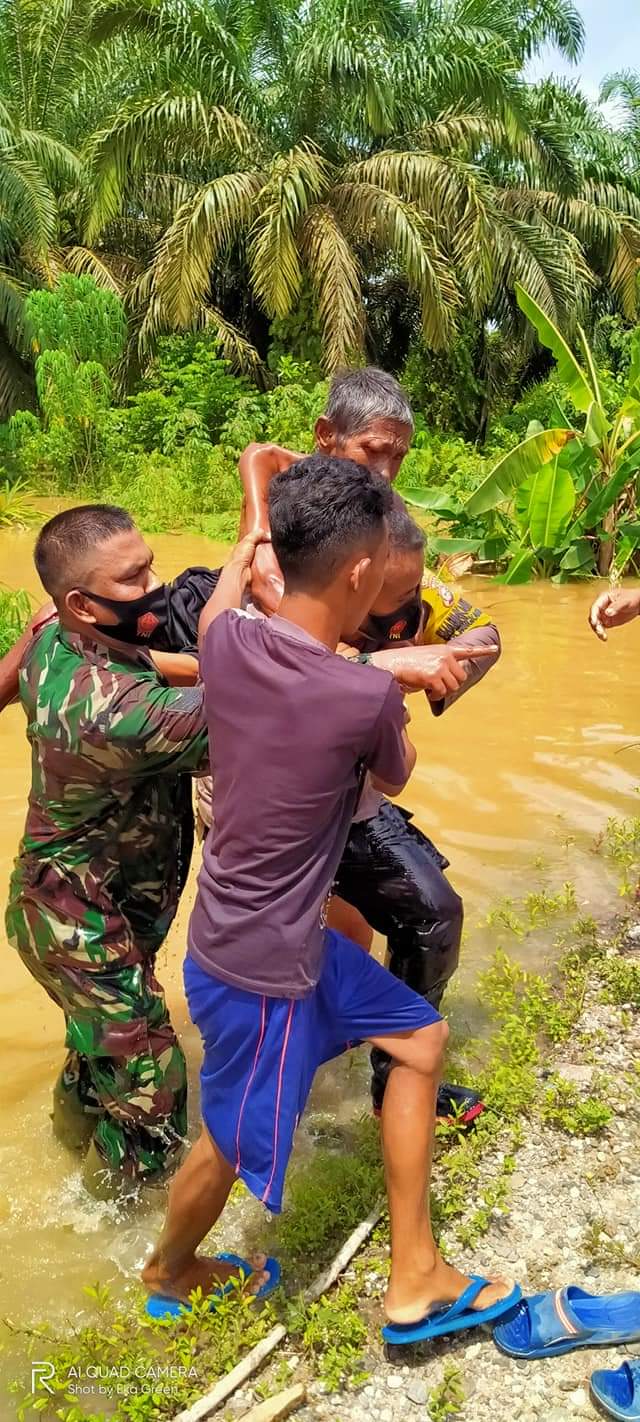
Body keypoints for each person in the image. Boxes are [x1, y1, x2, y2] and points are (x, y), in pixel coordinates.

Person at [142, 454, 514, 1341]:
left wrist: (250, 539)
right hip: (264, 965)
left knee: (420, 1038)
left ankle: (416, 1273)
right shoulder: (361, 696)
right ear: (358, 575)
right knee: (231, 1140)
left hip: (246, 934)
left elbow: (231, 599)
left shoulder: (227, 643)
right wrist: (404, 674)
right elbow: (398, 767)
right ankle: (167, 1270)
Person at [237, 367, 501, 1123]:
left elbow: (476, 627)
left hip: (355, 777)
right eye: (372, 452)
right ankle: (260, 1112)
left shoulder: (385, 523)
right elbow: (270, 662)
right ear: (324, 441)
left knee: (428, 913)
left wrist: (441, 670)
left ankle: (397, 1079)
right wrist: (380, 668)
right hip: (277, 791)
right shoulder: (295, 527)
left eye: (399, 457)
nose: (387, 473)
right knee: (285, 958)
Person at [4, 505, 228, 1197]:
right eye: (134, 579)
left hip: (76, 904)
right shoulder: (115, 709)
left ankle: (72, 1153)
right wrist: (382, 667)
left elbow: (166, 664)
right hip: (76, 921)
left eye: (150, 563)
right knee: (150, 1081)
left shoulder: (61, 641)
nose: (156, 584)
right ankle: (124, 1234)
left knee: (96, 1051)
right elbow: (269, 711)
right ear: (81, 602)